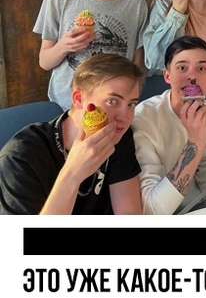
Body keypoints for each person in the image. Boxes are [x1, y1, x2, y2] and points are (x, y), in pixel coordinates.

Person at [0, 53, 145, 215]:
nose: (124, 117)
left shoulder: (118, 136)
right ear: (78, 99)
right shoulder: (21, 157)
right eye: (112, 101)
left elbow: (129, 215)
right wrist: (72, 174)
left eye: (131, 104)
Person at [132, 35, 206, 214]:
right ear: (167, 76)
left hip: (198, 209)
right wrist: (195, 143)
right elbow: (152, 210)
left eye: (201, 68)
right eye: (182, 68)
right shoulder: (143, 120)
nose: (192, 77)